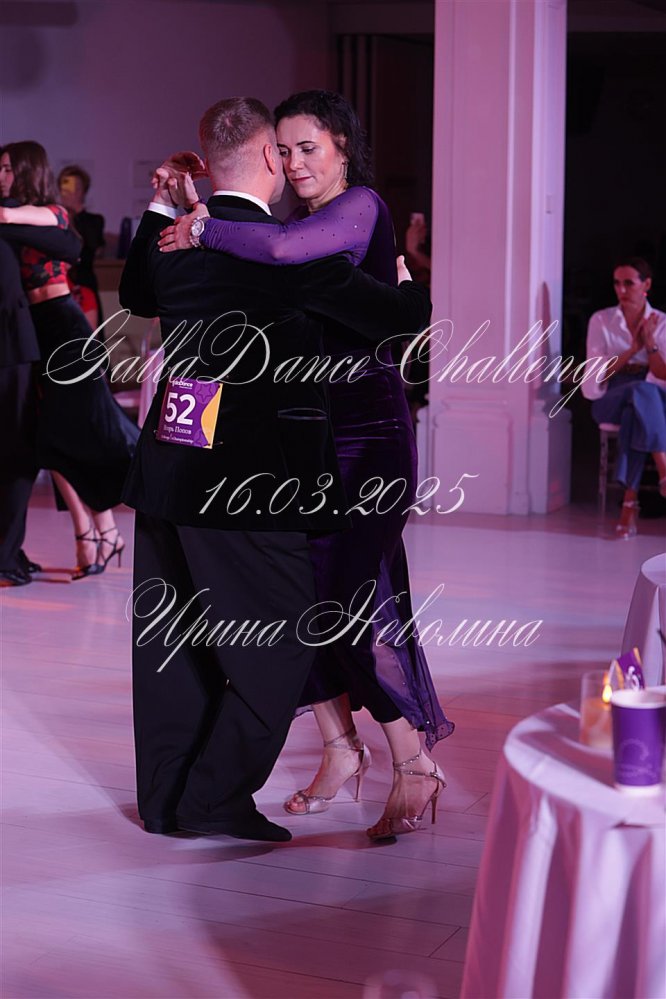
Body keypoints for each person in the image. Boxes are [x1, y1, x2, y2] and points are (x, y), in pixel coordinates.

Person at [118, 97, 433, 842]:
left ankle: (167, 800)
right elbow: (402, 320)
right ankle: (212, 799)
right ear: (267, 158)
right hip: (248, 483)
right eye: (284, 151)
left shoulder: (176, 241)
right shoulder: (286, 254)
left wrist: (166, 205)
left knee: (172, 645)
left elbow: (135, 294)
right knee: (283, 642)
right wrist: (408, 285)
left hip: (168, 469)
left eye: (306, 149)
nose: (292, 164)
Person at [0, 142, 138, 577]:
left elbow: (10, 218)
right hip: (35, 334)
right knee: (52, 440)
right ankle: (97, 534)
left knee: (80, 432)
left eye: (7, 169)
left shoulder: (50, 212)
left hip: (65, 327)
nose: (1, 176)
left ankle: (100, 534)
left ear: (26, 170)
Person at [583, 258, 666, 538]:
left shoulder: (662, 322)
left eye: (628, 283)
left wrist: (650, 344)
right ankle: (664, 468)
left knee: (637, 411)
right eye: (617, 283)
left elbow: (662, 374)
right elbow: (597, 375)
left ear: (646, 284)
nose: (621, 289)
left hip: (651, 395)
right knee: (640, 392)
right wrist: (632, 350)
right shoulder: (601, 320)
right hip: (611, 395)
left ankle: (628, 506)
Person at [58, 164, 105, 327]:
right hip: (62, 284)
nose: (67, 192)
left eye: (74, 187)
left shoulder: (94, 221)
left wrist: (74, 213)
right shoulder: (56, 218)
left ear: (82, 191)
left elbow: (92, 244)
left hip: (85, 283)